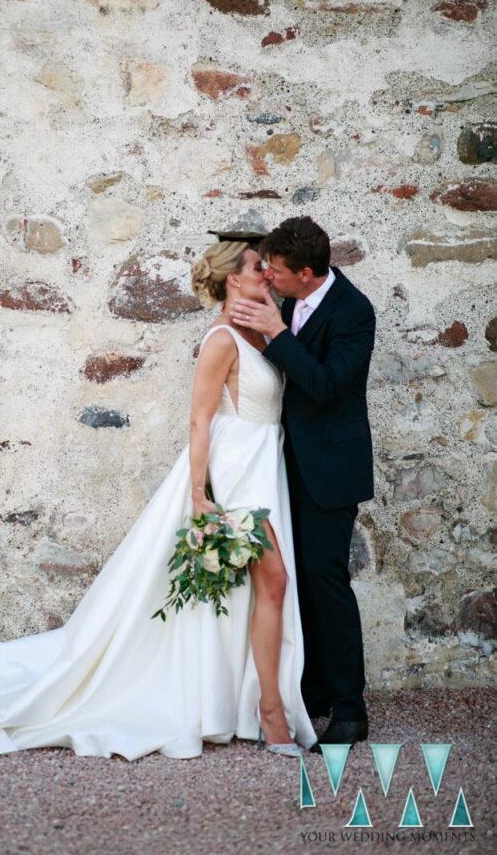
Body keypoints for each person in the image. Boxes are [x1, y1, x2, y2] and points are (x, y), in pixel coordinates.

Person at [0, 241, 318, 760]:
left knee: (264, 588)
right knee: (273, 580)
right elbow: (199, 420)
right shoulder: (221, 339)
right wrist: (198, 495)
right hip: (234, 474)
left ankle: (250, 702)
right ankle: (271, 713)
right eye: (259, 268)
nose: (269, 275)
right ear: (234, 278)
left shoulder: (265, 328)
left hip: (263, 463)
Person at [230, 216, 375, 753]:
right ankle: (309, 691)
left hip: (332, 471)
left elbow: (325, 386)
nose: (268, 276)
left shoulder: (354, 312)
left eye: (277, 271)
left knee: (327, 581)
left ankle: (351, 711)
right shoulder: (287, 298)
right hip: (283, 464)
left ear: (308, 273)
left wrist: (274, 332)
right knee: (293, 580)